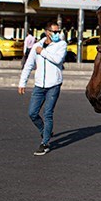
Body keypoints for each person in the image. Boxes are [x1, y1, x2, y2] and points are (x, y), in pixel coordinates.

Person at [18, 21, 68, 156]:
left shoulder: (61, 45)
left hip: (54, 85)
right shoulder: (36, 46)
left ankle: (45, 143)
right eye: (55, 32)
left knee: (48, 113)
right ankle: (45, 131)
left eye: (59, 31)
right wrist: (22, 82)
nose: (58, 34)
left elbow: (58, 60)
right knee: (32, 113)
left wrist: (43, 52)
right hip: (39, 85)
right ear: (47, 32)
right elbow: (29, 65)